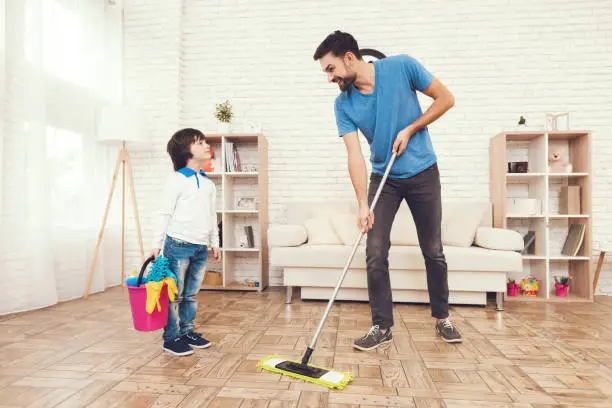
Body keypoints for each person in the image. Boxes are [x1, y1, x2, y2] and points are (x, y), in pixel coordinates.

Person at [313, 31, 462, 350]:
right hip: (385, 178)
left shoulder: (402, 66)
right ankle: (381, 326)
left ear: (349, 57)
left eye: (330, 69)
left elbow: (446, 98)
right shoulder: (343, 104)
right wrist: (362, 204)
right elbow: (354, 155)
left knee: (433, 250)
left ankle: (442, 318)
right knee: (375, 250)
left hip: (423, 171)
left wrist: (411, 128)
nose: (329, 78)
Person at [150, 128, 221, 356]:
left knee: (191, 294)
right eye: (199, 143)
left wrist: (215, 242)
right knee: (174, 294)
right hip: (178, 245)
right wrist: (156, 243)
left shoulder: (208, 184)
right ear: (186, 150)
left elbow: (212, 216)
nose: (205, 146)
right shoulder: (176, 180)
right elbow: (164, 213)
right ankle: (170, 338)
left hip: (200, 247)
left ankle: (187, 331)